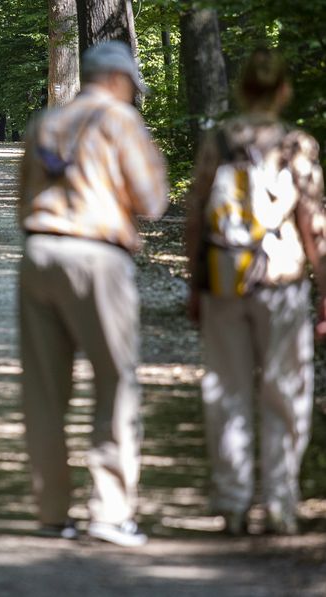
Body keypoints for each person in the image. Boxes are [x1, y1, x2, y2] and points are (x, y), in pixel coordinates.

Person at [17, 40, 168, 547]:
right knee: (115, 382)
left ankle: (51, 513)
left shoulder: (45, 122)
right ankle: (108, 512)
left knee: (43, 389)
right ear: (119, 80)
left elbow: (22, 200)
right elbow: (152, 200)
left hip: (40, 252)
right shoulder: (120, 121)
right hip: (99, 256)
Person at [185, 48, 326, 535]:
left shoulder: (218, 140)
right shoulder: (297, 145)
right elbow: (313, 224)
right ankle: (282, 504)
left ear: (242, 89)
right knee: (285, 392)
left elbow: (196, 216)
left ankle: (233, 503)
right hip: (282, 282)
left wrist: (194, 283)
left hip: (226, 279)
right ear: (284, 90)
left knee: (226, 390)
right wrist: (324, 289)